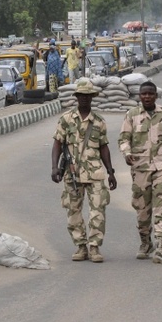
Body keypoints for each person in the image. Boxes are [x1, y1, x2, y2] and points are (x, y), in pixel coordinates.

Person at [51, 80, 117, 263]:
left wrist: (111, 171)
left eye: (88, 96)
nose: (85, 99)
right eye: (82, 95)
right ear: (77, 97)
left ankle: (94, 247)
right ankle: (80, 246)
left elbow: (104, 147)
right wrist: (55, 167)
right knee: (73, 210)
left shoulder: (99, 121)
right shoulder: (66, 119)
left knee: (98, 209)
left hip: (95, 172)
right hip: (72, 172)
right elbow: (57, 143)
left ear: (92, 98)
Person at [118, 81, 162, 265]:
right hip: (140, 168)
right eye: (143, 94)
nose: (147, 96)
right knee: (142, 209)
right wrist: (127, 153)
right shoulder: (132, 115)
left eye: (150, 93)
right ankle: (146, 243)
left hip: (161, 167)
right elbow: (124, 138)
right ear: (139, 96)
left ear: (155, 95)